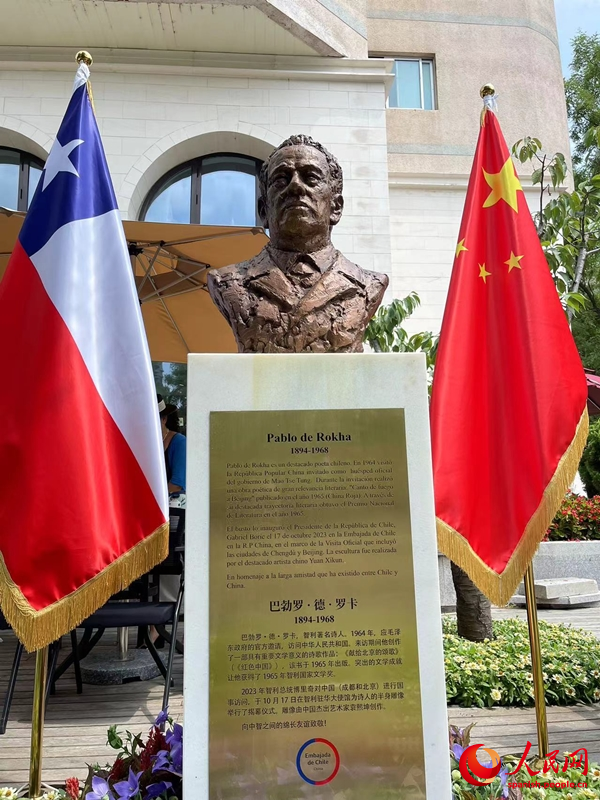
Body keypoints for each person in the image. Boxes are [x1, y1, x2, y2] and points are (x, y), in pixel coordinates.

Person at [207, 134, 388, 353]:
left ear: (336, 207)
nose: (295, 187)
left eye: (311, 178)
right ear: (263, 211)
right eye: (281, 179)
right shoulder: (229, 282)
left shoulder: (367, 284)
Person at [158, 395, 186, 508]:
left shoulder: (179, 442)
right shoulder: (142, 443)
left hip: (170, 509)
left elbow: (176, 484)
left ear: (164, 419)